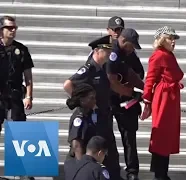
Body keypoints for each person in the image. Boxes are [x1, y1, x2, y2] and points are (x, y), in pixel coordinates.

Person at [63, 35, 123, 180]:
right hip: (92, 116)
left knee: (111, 155)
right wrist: (82, 102)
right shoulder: (88, 69)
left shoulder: (102, 69)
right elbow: (67, 85)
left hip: (103, 116)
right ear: (97, 50)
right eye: (106, 51)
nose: (109, 54)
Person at [140, 26, 183, 180]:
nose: (173, 42)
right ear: (162, 40)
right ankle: (160, 173)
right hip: (163, 98)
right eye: (170, 38)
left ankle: (160, 172)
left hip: (170, 98)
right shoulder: (158, 56)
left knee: (167, 135)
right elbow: (150, 79)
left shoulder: (169, 55)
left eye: (174, 39)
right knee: (162, 136)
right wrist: (147, 101)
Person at [107, 16, 144, 180]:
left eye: (119, 29)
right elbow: (110, 81)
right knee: (105, 136)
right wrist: (130, 91)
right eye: (114, 30)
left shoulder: (129, 52)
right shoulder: (109, 51)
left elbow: (139, 72)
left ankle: (132, 172)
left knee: (129, 138)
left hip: (124, 102)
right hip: (108, 100)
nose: (116, 32)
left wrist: (133, 84)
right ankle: (111, 170)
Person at [0, 15, 34, 130]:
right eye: (10, 28)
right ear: (1, 30)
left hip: (15, 94)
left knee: (18, 129)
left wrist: (28, 96)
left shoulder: (22, 49)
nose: (13, 30)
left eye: (15, 27)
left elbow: (28, 76)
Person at [65, 83, 97, 161]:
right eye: (91, 98)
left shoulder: (89, 114)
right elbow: (76, 146)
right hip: (78, 162)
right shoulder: (79, 119)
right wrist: (82, 166)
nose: (94, 100)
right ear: (82, 100)